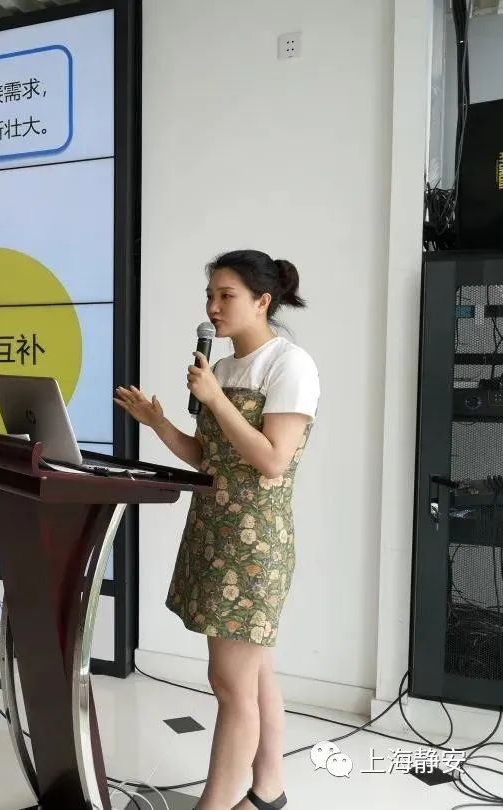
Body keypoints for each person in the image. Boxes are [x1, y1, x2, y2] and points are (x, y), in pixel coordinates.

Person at [115, 250, 320, 810]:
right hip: (213, 530)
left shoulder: (290, 365)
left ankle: (215, 806)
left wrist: (214, 400)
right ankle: (269, 791)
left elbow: (273, 460)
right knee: (253, 675)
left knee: (230, 685)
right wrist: (158, 421)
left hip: (255, 543)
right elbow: (207, 457)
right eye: (210, 295)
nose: (213, 307)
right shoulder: (223, 369)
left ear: (262, 301)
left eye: (226, 296)